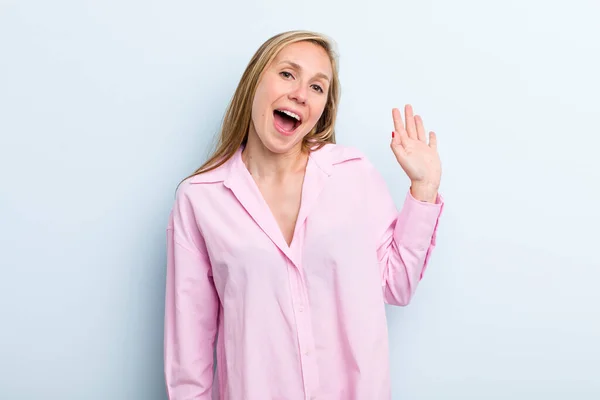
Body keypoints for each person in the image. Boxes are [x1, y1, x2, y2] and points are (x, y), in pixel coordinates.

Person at [164, 30, 444, 400]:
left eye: (317, 87)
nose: (300, 93)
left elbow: (397, 285)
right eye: (287, 74)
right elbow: (189, 352)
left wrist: (423, 190)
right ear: (254, 82)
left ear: (322, 108)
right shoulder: (200, 200)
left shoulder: (352, 174)